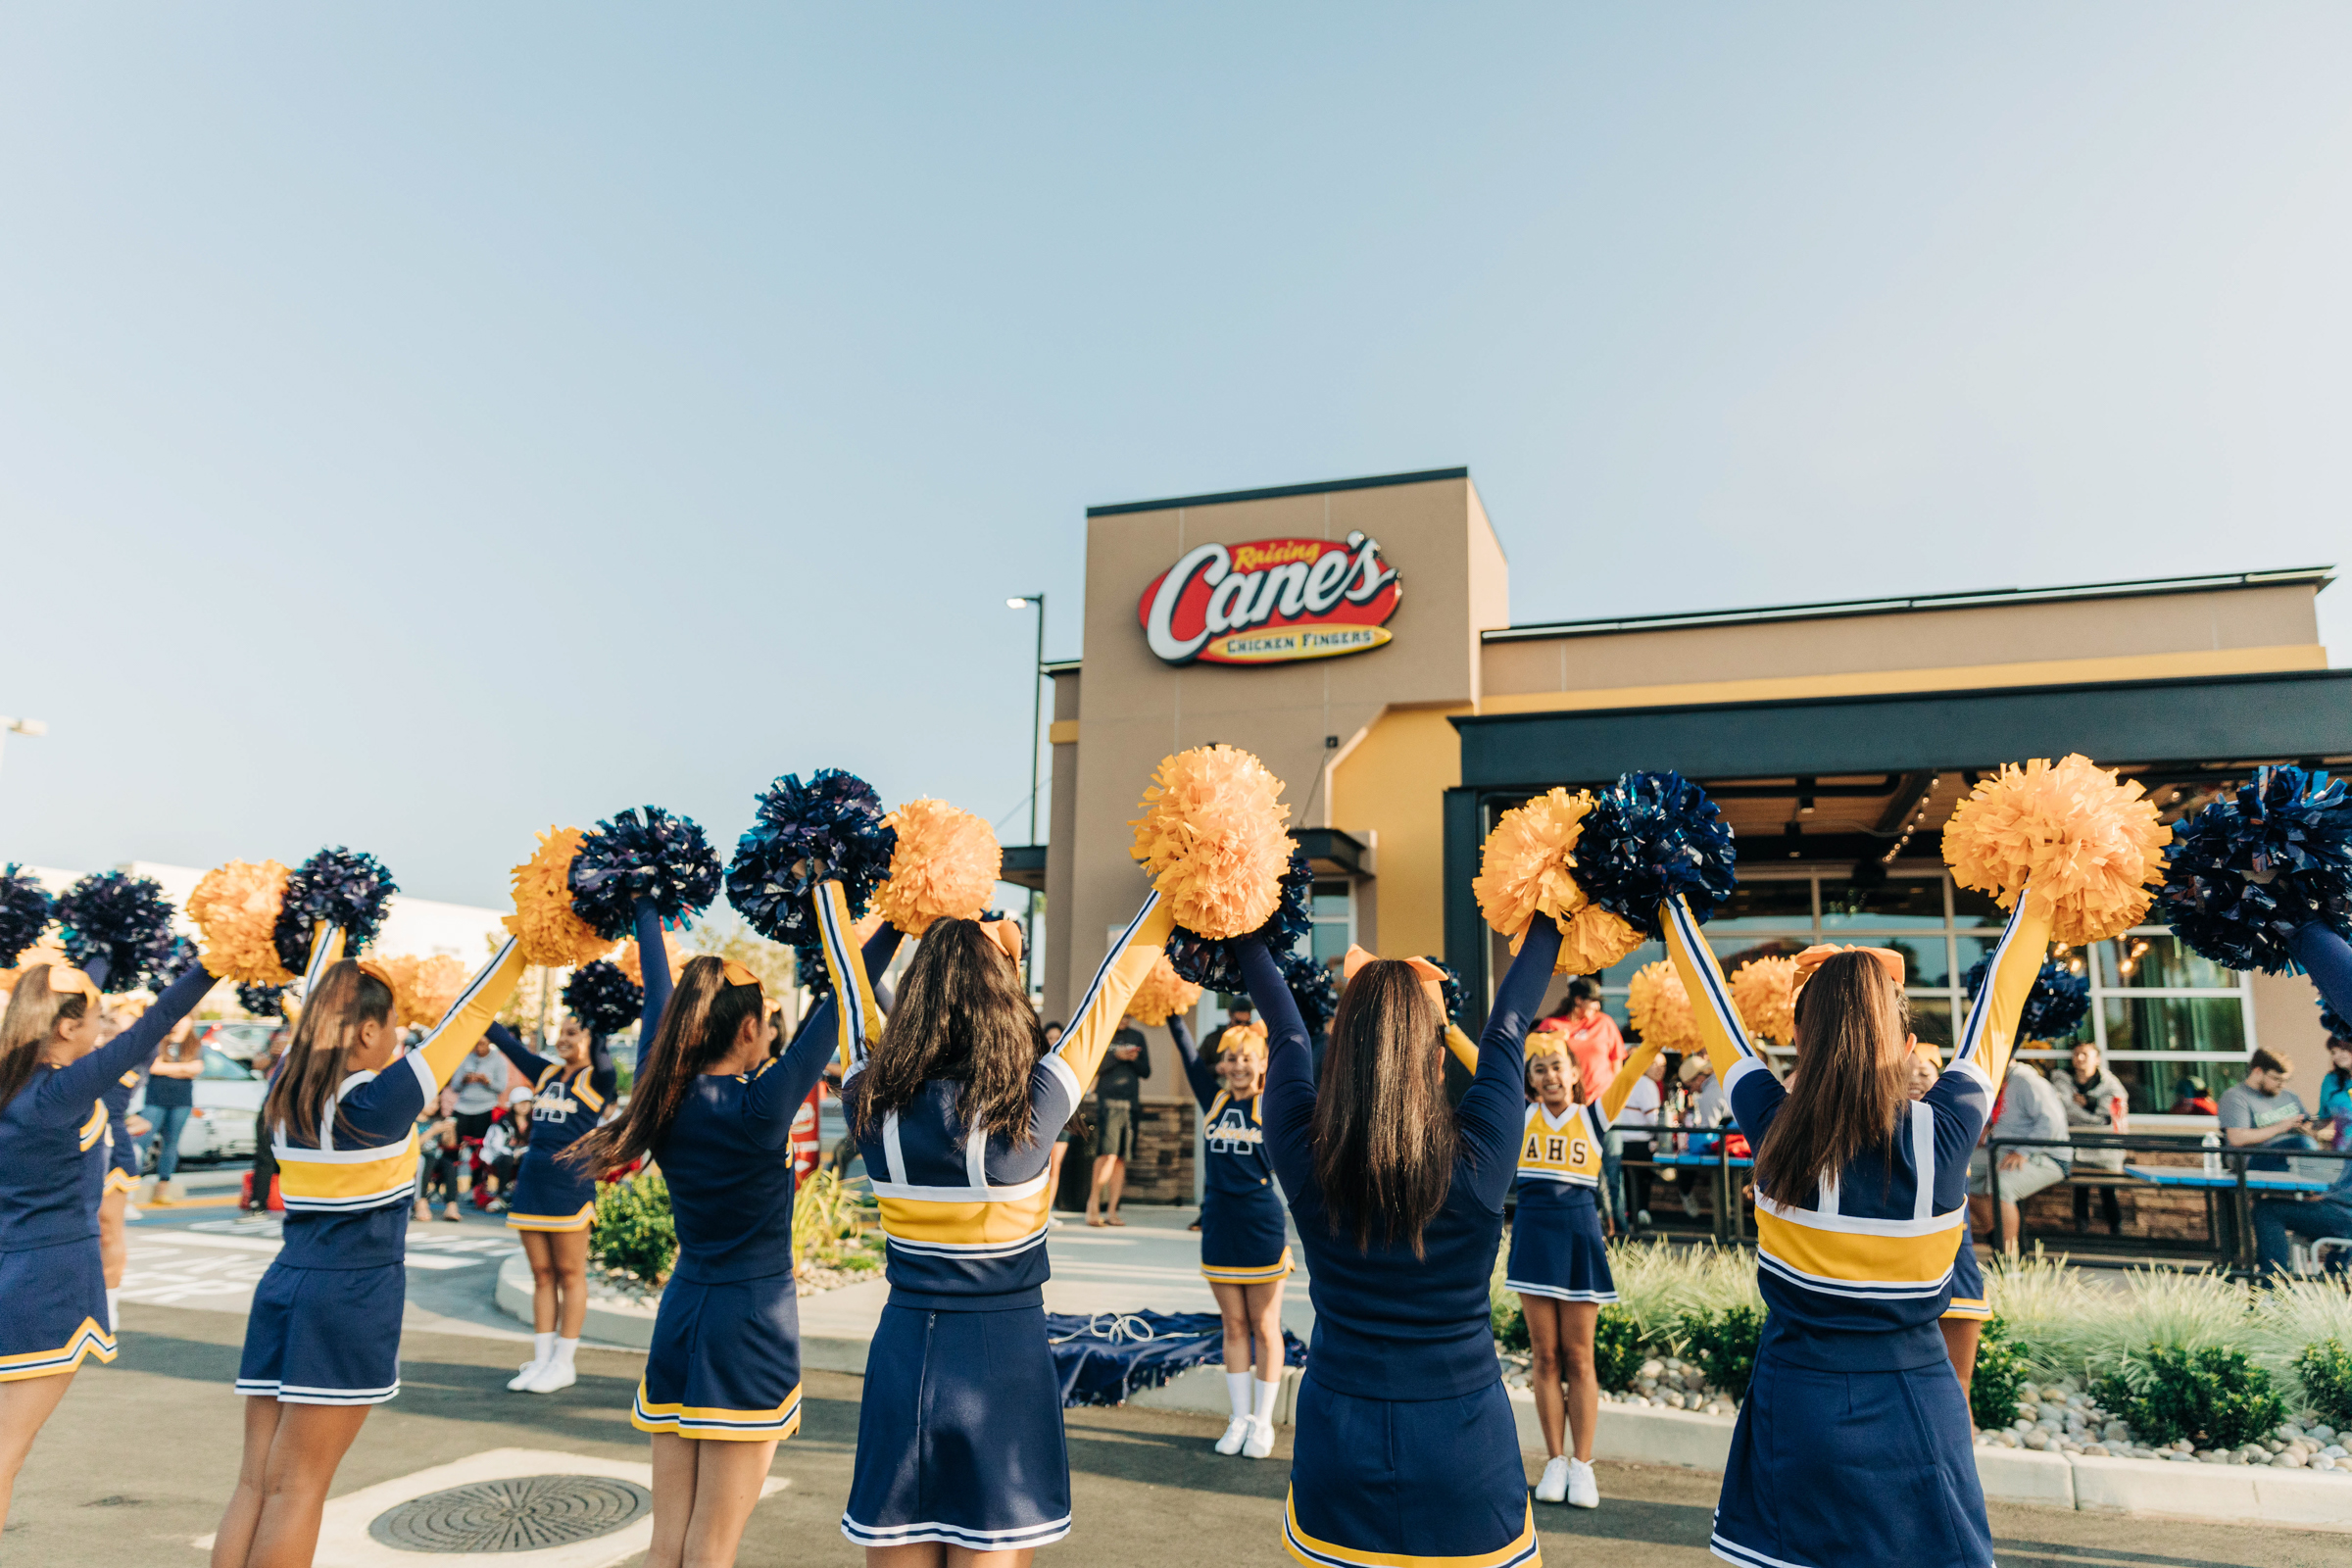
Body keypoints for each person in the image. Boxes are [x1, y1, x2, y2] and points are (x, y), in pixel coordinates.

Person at [1663, 894, 2050, 1568]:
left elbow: (1710, 1004)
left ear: (1800, 1044)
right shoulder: (1951, 1129)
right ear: (1907, 1047)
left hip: (1796, 1404)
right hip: (1917, 1405)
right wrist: (2047, 885)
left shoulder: (1772, 1126)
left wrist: (1666, 898)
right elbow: (2002, 996)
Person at [833, 890, 1173, 1559]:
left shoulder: (868, 1100)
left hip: (904, 1351)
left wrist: (842, 895)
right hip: (1003, 1360)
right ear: (1003, 996)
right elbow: (1117, 979)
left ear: (915, 991)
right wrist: (1176, 881)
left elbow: (848, 987)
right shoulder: (1034, 1103)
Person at [563, 884, 894, 1568]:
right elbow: (844, 1001)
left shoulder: (664, 1092)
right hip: (751, 1329)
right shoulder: (761, 1103)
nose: (774, 1035)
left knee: (668, 1547)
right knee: (712, 1550)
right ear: (747, 1029)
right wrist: (901, 919)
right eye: (769, 1024)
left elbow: (662, 998)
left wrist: (647, 906)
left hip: (681, 1317)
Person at [1233, 911, 1558, 1568]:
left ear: (1342, 1045)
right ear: (1436, 1055)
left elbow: (1289, 1038)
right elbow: (1507, 1031)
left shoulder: (1300, 1151)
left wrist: (1238, 927)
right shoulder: (1480, 1158)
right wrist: (1553, 910)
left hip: (1337, 1446)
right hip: (1466, 1450)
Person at [211, 935, 522, 1568]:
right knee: (299, 1487)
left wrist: (335, 925)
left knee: (255, 1482)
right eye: (392, 1033)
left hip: (285, 1286)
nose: (398, 1046)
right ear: (366, 1033)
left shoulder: (285, 1093)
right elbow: (472, 1012)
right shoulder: (377, 1103)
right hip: (349, 1297)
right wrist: (527, 941)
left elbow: (311, 1009)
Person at [0, 955, 212, 1532]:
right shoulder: (60, 1089)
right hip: (47, 1283)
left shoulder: (9, 1083)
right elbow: (153, 1025)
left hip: (11, 1269)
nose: (105, 1031)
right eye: (97, 1019)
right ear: (66, 1026)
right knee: (6, 1453)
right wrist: (214, 965)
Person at [1501, 1021, 1663, 1509]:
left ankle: (1583, 1466)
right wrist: (1446, 1030)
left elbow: (1633, 1066)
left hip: (1578, 1240)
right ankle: (1554, 1460)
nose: (1550, 1075)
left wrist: (1658, 1032)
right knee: (1544, 1355)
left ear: (1574, 1073)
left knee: (1580, 1356)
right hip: (1533, 1238)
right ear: (1529, 1079)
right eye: (1539, 1069)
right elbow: (1482, 1064)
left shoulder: (1595, 1117)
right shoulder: (1521, 1115)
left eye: (1557, 1066)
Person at [1170, 1012, 1290, 1459]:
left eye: (1248, 1058)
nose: (1238, 1065)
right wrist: (1171, 1011)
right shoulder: (1215, 1102)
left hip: (1260, 1224)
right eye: (1232, 1058)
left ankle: (1263, 1421)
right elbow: (1186, 1055)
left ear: (1263, 1064)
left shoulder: (1272, 1106)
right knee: (1233, 1324)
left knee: (1264, 1325)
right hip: (1219, 1223)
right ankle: (1238, 1418)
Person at [483, 1010, 617, 1396]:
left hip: (570, 1186)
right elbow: (506, 1043)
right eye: (561, 1032)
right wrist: (478, 1005)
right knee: (541, 1273)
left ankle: (564, 1362)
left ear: (592, 1039)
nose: (563, 1039)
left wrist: (600, 1018)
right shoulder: (544, 1073)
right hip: (532, 1184)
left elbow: (605, 1053)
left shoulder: (600, 1078)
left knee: (570, 1274)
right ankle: (541, 1359)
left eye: (573, 1033)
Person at [1967, 1057, 2071, 1255]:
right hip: (2003, 1149)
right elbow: (2012, 1120)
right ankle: (1997, 1239)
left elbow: (2052, 1123)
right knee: (1962, 1173)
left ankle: (2010, 1260)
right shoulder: (2001, 1082)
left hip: (2047, 1155)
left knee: (2001, 1187)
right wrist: (1990, 1128)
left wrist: (2023, 1151)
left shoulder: (2027, 1081)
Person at [1556, 978, 1630, 1231]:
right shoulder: (1553, 1026)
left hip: (1606, 1109)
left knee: (1612, 1172)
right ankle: (1592, 1227)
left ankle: (1620, 1229)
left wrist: (1615, 1100)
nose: (1598, 1007)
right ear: (1578, 1000)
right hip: (1573, 1112)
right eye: (1593, 1001)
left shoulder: (1606, 1024)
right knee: (1584, 1174)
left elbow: (1617, 1066)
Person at [95, 999, 151, 1331]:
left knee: (107, 1229)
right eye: (113, 1017)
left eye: (128, 1018)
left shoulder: (138, 1054)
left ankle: (109, 1306)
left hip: (111, 1149)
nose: (118, 1023)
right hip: (63, 1149)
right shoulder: (72, 1045)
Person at [1085, 1010, 1152, 1226]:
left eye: (1128, 1017)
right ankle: (1092, 1206)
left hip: (1130, 1104)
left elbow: (1146, 1071)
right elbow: (1092, 1066)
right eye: (1121, 1016)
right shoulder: (1105, 1035)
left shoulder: (1137, 1037)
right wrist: (1116, 1056)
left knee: (1121, 1158)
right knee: (1108, 1154)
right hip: (1108, 1103)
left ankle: (1112, 1211)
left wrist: (1132, 1059)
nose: (1125, 1021)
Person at [2061, 1040, 2128, 1234]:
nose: (2079, 1058)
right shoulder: (2063, 1079)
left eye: (2085, 1054)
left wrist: (2088, 1102)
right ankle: (2081, 1231)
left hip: (2105, 1150)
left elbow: (2112, 1112)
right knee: (2080, 1190)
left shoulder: (2111, 1083)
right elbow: (2064, 1109)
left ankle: (2117, 1232)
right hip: (2077, 1148)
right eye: (2076, 1054)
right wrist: (2096, 1114)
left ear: (2097, 1059)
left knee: (2109, 1192)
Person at [2218, 1050, 2314, 1172]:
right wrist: (2280, 1127)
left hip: (2292, 1156)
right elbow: (2237, 1138)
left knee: (2310, 1148)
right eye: (2276, 1079)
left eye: (2285, 1080)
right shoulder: (2235, 1097)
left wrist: (2307, 1125)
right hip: (2252, 1159)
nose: (2282, 1085)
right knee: (2303, 1144)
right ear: (2257, 1071)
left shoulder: (2289, 1096)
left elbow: (2307, 1123)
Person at [141, 1015, 204, 1204]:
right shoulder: (159, 1040)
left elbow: (197, 1067)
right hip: (155, 1099)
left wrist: (169, 1068)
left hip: (181, 1101)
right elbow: (154, 1067)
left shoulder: (194, 1044)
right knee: (142, 1140)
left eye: (183, 1019)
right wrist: (183, 1070)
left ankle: (162, 1189)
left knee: (171, 1143)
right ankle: (129, 1185)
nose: (177, 1022)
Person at [1617, 1048, 1666, 1228]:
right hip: (1638, 1143)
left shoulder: (1620, 1078)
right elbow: (1654, 1120)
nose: (1660, 1069)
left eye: (1663, 1065)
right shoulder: (1646, 1083)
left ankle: (1631, 1214)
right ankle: (1641, 1212)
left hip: (1619, 1142)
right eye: (1654, 1064)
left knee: (1628, 1180)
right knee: (1649, 1172)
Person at [244, 1027, 287, 1213]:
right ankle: (258, 1201)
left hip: (301, 1100)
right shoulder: (277, 1033)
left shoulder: (318, 1028)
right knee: (264, 1152)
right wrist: (272, 1053)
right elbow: (257, 1064)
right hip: (272, 1101)